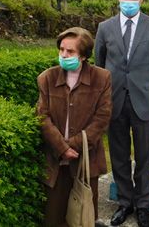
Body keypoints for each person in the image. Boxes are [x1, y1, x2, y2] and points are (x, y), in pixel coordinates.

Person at [95, 0, 149, 227]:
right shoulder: (104, 28)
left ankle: (143, 206)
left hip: (144, 100)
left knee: (144, 155)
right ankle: (125, 202)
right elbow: (99, 63)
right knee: (119, 154)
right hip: (114, 100)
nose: (128, 0)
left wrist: (142, 81)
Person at [36, 27, 112, 227]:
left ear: (84, 55)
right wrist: (62, 148)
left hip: (86, 159)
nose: (63, 55)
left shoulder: (102, 78)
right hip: (56, 160)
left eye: (70, 52)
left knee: (83, 217)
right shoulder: (47, 78)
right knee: (54, 216)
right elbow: (42, 117)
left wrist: (74, 146)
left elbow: (102, 118)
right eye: (61, 49)